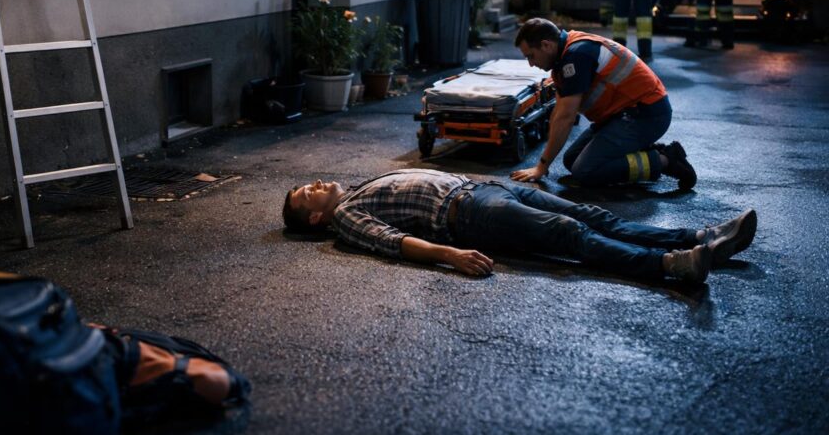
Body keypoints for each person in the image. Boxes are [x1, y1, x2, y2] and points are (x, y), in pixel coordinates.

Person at [282, 170, 757, 284]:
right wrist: (450, 255)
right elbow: (392, 243)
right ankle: (672, 265)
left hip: (485, 188)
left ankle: (699, 237)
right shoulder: (346, 219)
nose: (315, 184)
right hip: (468, 215)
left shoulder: (359, 190)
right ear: (317, 218)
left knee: (589, 215)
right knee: (569, 236)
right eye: (307, 194)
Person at [509, 18, 696, 189]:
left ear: (546, 45)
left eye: (530, 56)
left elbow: (566, 117)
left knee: (586, 171)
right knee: (572, 159)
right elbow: (559, 112)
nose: (531, 64)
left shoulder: (576, 56)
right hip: (623, 114)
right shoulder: (565, 53)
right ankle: (645, 148)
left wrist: (542, 166)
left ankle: (665, 160)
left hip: (646, 115)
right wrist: (545, 162)